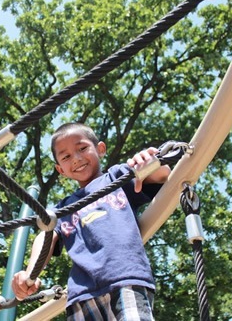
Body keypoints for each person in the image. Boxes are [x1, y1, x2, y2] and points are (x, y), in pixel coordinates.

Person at [11, 122, 171, 320]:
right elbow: (46, 236)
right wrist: (30, 273)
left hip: (125, 278)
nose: (76, 159)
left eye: (82, 148)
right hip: (81, 295)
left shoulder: (116, 177)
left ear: (100, 149)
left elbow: (161, 175)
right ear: (60, 169)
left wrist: (151, 161)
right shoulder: (63, 209)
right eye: (66, 156)